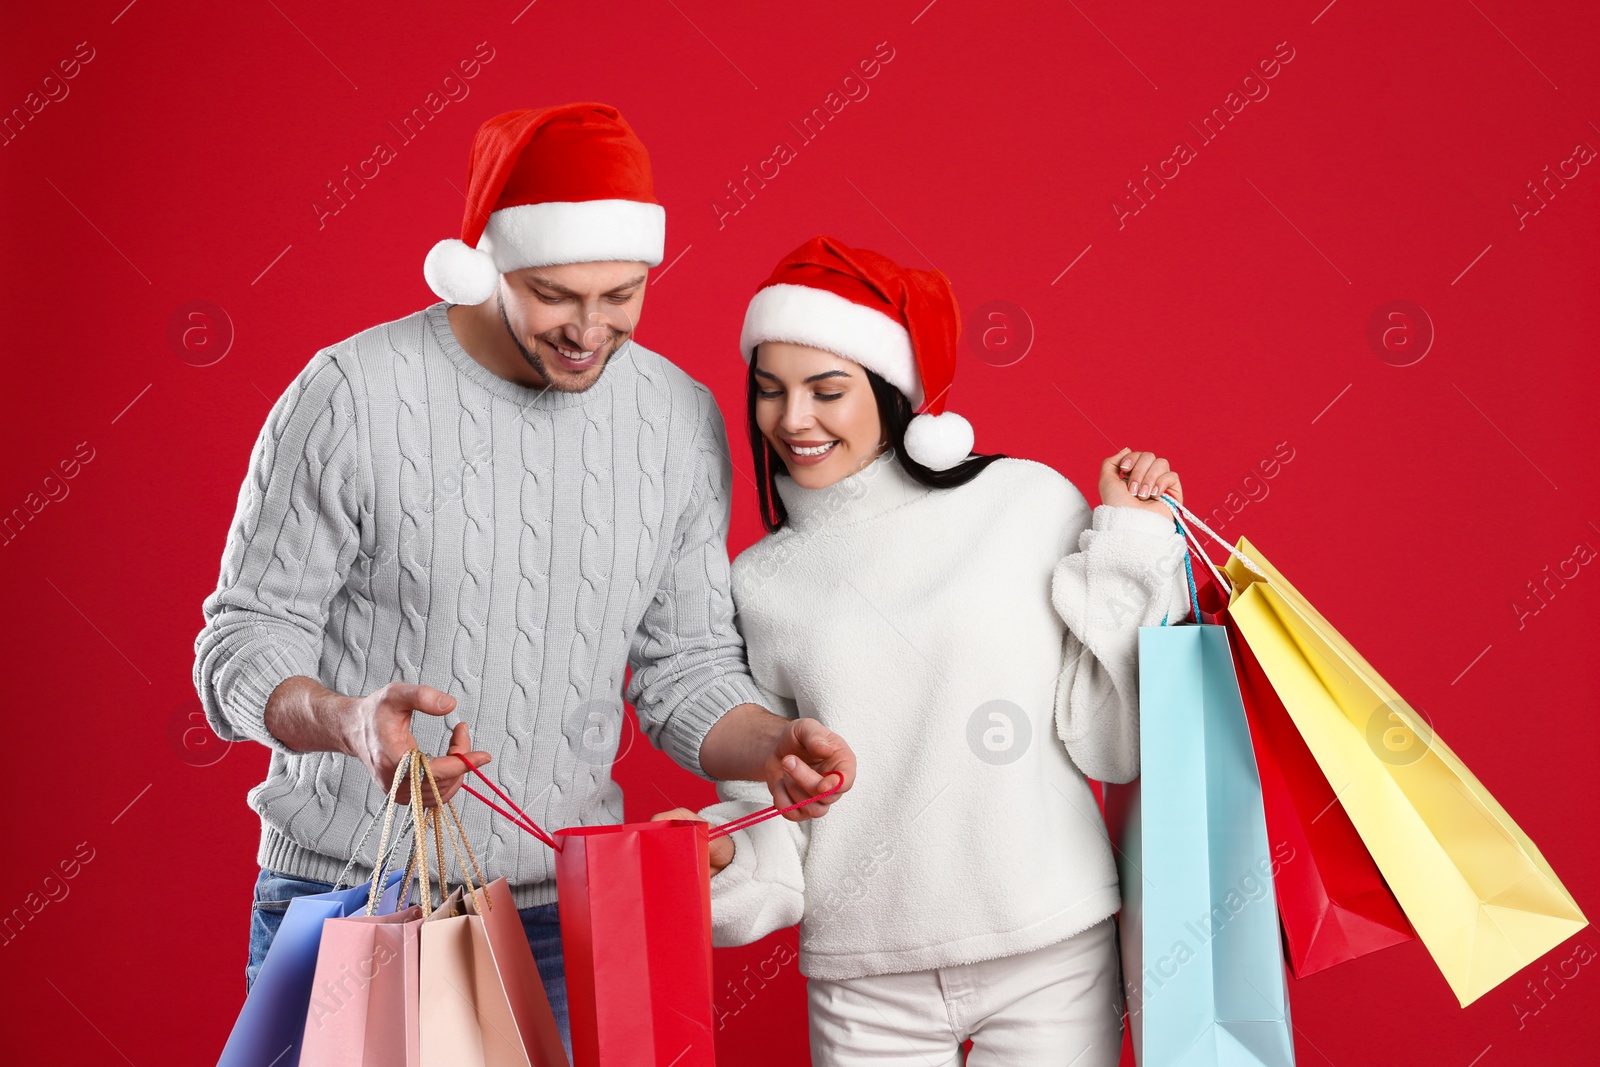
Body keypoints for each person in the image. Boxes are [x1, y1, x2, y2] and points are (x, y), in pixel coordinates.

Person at [192, 106, 855, 1057]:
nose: (591, 330)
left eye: (623, 294)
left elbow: (687, 669)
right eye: (554, 294)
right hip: (352, 895)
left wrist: (770, 742)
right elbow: (238, 646)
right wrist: (349, 719)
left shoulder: (677, 419)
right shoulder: (351, 393)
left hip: (568, 916)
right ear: (488, 264)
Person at [651, 236, 1191, 1066]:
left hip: (1047, 946)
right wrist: (723, 850)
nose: (793, 419)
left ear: (894, 389)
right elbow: (790, 813)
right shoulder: (759, 581)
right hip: (864, 979)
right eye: (770, 392)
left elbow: (1114, 743)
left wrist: (1130, 542)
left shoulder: (1027, 503)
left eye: (827, 390)